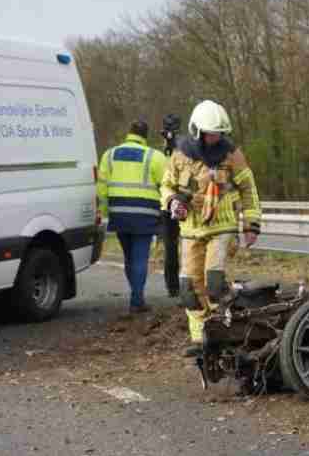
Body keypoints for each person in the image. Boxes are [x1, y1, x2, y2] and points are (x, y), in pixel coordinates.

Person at [159, 100, 262, 357]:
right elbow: (167, 186)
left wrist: (251, 225)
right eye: (211, 133)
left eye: (219, 133)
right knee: (189, 288)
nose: (215, 138)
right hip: (191, 229)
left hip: (221, 226)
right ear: (198, 131)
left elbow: (249, 190)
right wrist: (172, 202)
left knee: (214, 283)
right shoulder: (180, 155)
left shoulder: (232, 155)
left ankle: (227, 332)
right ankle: (201, 339)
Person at [97, 120, 168, 313]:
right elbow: (167, 185)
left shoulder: (109, 155)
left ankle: (137, 296)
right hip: (144, 215)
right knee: (139, 259)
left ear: (129, 133)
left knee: (129, 258)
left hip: (119, 214)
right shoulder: (155, 157)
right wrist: (165, 214)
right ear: (146, 136)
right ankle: (137, 300)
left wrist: (104, 213)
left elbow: (101, 187)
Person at [159, 113, 183, 298]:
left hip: (169, 203)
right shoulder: (184, 148)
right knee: (175, 246)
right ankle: (175, 285)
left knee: (171, 246)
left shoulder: (164, 153)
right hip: (178, 201)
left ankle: (173, 286)